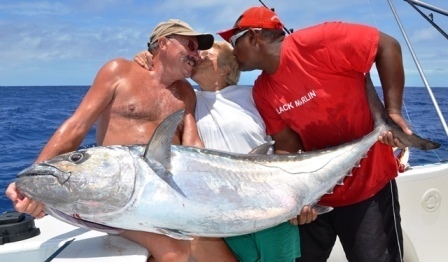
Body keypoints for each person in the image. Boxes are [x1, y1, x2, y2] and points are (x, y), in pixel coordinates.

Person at [5, 19, 214, 262]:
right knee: (175, 252)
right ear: (164, 43)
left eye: (198, 50)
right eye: (190, 45)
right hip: (117, 198)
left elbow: (193, 145)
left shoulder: (186, 92)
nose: (196, 55)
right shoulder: (119, 71)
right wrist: (34, 179)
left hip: (163, 198)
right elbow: (77, 126)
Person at [217, 6, 411, 262]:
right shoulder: (262, 90)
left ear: (254, 37)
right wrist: (296, 198)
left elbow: (387, 46)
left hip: (369, 189)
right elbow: (287, 144)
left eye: (234, 41)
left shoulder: (320, 40)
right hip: (316, 197)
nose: (232, 51)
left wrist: (393, 112)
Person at [135, 41, 317, 261]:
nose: (197, 55)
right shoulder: (187, 97)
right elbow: (156, 79)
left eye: (207, 53)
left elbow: (288, 141)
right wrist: (148, 59)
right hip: (225, 213)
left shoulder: (253, 95)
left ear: (226, 68)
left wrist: (302, 194)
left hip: (271, 205)